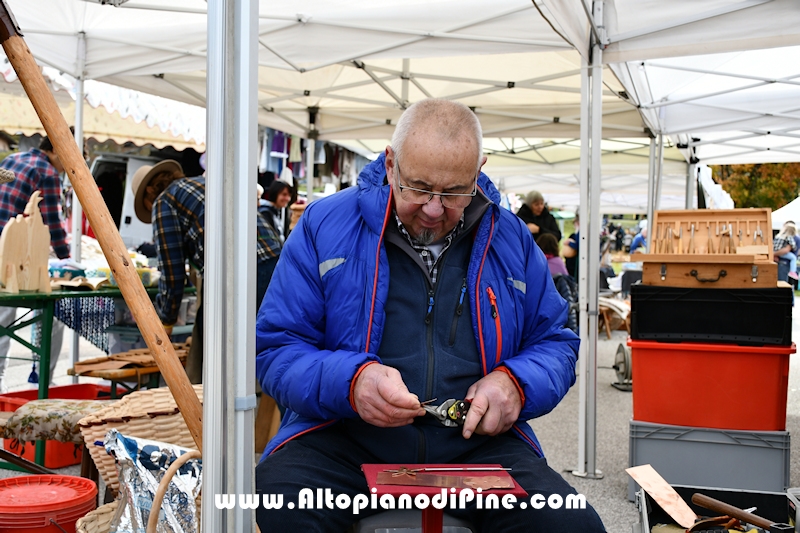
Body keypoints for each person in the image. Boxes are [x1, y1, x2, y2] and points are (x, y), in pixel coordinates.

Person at [255, 99, 605, 532]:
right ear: (389, 164)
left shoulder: (511, 237)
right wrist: (351, 381)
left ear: (479, 172)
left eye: (455, 191)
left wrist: (514, 384)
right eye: (418, 187)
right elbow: (277, 347)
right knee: (277, 506)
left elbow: (555, 341)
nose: (434, 209)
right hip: (341, 441)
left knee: (573, 527)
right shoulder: (323, 225)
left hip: (476, 452)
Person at [132, 159, 282, 384]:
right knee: (276, 346)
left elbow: (172, 275)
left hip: (240, 270)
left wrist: (165, 324)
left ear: (149, 193)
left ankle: (213, 406)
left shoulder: (164, 201)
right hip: (276, 261)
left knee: (215, 344)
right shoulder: (203, 183)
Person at [0, 135, 69, 393]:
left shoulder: (12, 159)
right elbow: (52, 223)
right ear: (56, 150)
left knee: (3, 318)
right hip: (18, 255)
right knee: (52, 314)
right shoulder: (47, 173)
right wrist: (67, 260)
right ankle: (43, 380)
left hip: (2, 248)